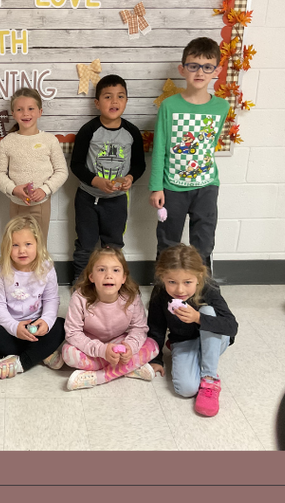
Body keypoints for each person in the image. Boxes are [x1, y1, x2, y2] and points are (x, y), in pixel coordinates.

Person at [149, 36, 230, 266]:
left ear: (217, 70)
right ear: (182, 69)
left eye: (207, 67)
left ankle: (202, 293)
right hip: (172, 187)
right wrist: (156, 187)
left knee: (203, 243)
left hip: (206, 186)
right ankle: (163, 292)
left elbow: (210, 143)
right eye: (193, 66)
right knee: (167, 242)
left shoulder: (221, 107)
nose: (200, 72)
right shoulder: (170, 105)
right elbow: (160, 148)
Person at [69, 74, 146, 282]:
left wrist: (130, 177)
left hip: (117, 201)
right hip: (87, 198)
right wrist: (97, 182)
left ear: (126, 101)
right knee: (85, 243)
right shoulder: (88, 131)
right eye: (108, 97)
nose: (114, 101)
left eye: (120, 96)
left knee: (113, 244)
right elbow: (75, 165)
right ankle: (80, 282)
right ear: (97, 103)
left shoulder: (131, 132)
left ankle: (113, 280)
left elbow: (140, 164)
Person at [148, 244, 238, 417]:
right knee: (186, 389)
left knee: (208, 311)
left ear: (198, 277)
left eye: (187, 282)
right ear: (163, 278)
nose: (180, 290)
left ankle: (210, 379)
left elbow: (232, 327)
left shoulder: (209, 289)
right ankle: (198, 358)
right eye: (172, 282)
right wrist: (157, 359)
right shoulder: (160, 293)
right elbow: (156, 327)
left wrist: (198, 318)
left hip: (216, 340)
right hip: (184, 340)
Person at [61, 245, 158, 390]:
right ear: (91, 277)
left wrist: (129, 347)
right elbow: (73, 333)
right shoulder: (80, 298)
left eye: (116, 270)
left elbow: (139, 328)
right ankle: (129, 367)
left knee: (153, 346)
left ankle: (98, 377)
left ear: (124, 277)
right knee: (68, 354)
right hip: (92, 346)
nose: (109, 275)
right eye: (101, 270)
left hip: (120, 343)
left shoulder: (131, 297)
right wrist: (102, 351)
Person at [0, 216, 66, 380]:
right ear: (7, 247)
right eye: (15, 245)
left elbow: (51, 300)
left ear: (38, 245)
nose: (22, 250)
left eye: (28, 244)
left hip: (37, 325)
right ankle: (42, 352)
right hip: (9, 328)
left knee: (62, 326)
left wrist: (47, 322)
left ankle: (20, 363)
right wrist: (15, 327)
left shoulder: (47, 268)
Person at [0, 86, 67, 243]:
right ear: (13, 113)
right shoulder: (7, 142)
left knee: (39, 245)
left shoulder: (50, 140)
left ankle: (40, 269)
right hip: (16, 205)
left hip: (41, 205)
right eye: (20, 109)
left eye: (31, 108)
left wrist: (45, 190)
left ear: (40, 112)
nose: (25, 113)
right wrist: (13, 189)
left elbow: (61, 171)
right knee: (18, 245)